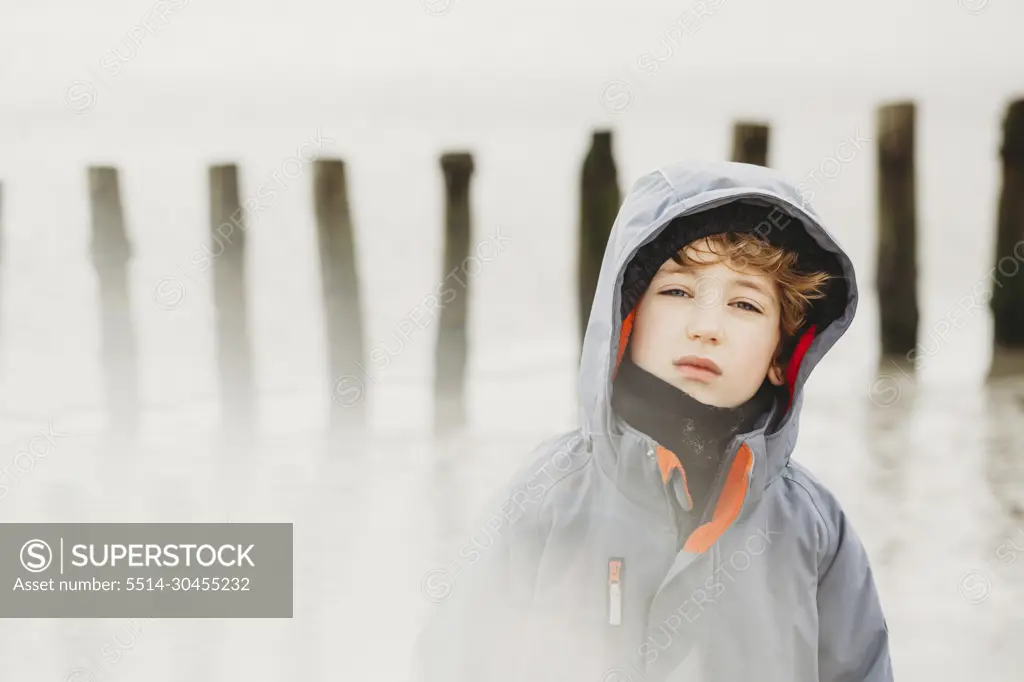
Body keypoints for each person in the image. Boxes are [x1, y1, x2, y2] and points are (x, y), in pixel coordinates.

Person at [410, 159, 893, 682]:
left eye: (745, 305)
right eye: (678, 292)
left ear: (785, 353)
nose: (706, 327)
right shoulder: (547, 498)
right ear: (627, 317)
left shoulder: (815, 528)